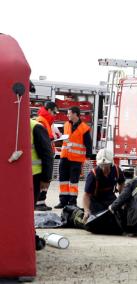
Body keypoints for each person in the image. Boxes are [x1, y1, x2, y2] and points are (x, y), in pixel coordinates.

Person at [55, 106, 92, 208]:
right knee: (63, 180)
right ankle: (63, 201)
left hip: (76, 159)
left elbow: (88, 144)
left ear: (75, 114)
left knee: (74, 182)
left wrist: (87, 158)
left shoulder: (84, 128)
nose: (67, 115)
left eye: (69, 113)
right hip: (64, 157)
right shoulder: (66, 124)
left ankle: (72, 202)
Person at [82, 149, 125, 223]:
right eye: (102, 165)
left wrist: (122, 199)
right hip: (96, 200)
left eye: (106, 165)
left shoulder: (116, 170)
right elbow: (86, 195)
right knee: (99, 220)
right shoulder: (93, 174)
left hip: (110, 198)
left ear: (111, 163)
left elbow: (121, 183)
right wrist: (86, 211)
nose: (104, 168)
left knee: (121, 215)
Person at [30, 118, 54, 250]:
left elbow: (47, 154)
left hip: (34, 177)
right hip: (21, 176)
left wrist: (46, 178)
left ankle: (31, 238)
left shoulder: (35, 127)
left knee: (27, 210)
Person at [35, 101, 58, 211]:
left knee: (45, 180)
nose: (55, 115)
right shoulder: (42, 121)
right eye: (54, 112)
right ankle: (39, 203)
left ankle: (40, 201)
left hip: (46, 154)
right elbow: (42, 140)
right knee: (44, 179)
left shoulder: (44, 121)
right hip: (44, 156)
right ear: (49, 110)